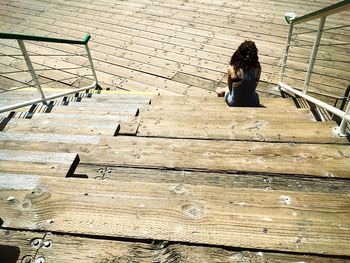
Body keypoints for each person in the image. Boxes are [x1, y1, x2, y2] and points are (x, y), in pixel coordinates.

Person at [216, 40, 261, 107]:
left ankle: (220, 91)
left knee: (223, 90)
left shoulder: (232, 69)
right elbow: (255, 86)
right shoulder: (258, 68)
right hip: (253, 102)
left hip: (234, 103)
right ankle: (221, 90)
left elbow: (230, 88)